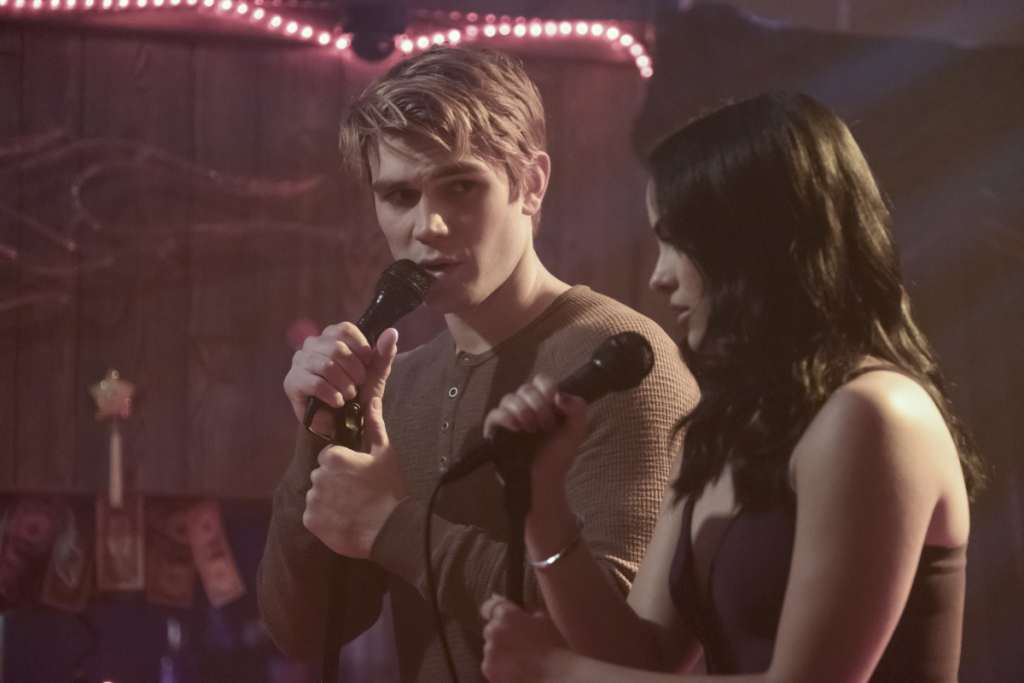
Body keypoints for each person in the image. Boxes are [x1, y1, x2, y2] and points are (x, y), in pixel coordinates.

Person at [478, 91, 985, 683]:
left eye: (675, 241)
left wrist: (554, 670)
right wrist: (544, 506)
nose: (659, 276)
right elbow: (643, 656)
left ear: (751, 243)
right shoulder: (726, 428)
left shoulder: (876, 414)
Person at [256, 46, 698, 682]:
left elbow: (619, 643)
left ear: (531, 184)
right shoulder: (400, 383)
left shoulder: (621, 363)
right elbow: (300, 629)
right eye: (399, 195)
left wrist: (392, 527)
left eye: (460, 187)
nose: (428, 225)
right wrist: (317, 439)